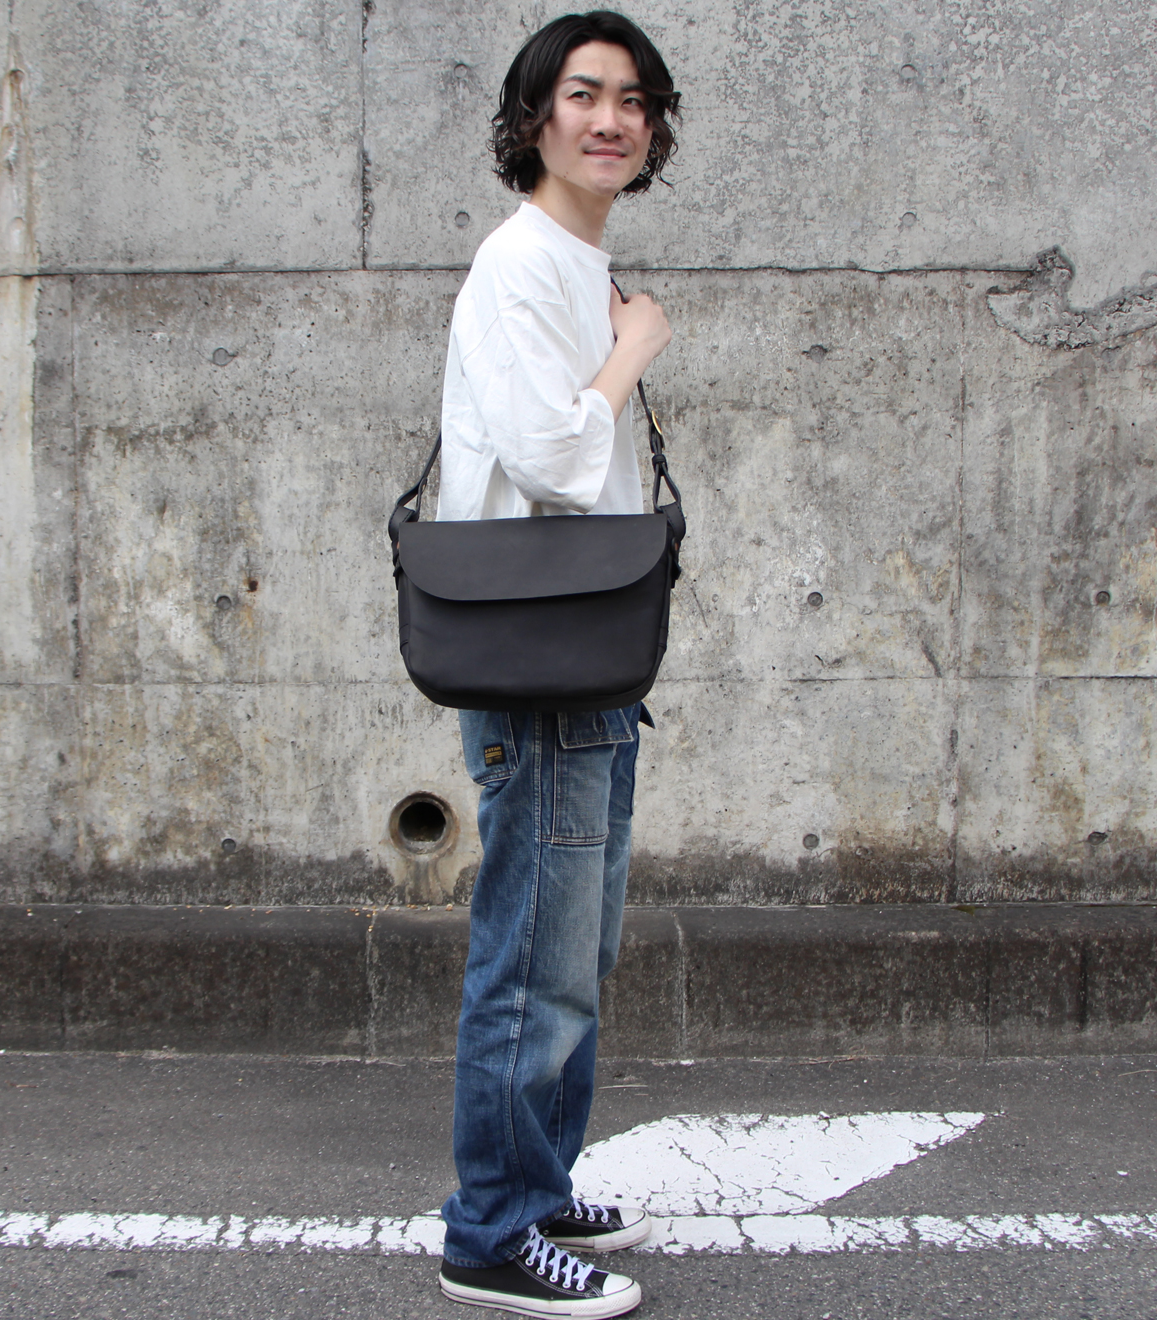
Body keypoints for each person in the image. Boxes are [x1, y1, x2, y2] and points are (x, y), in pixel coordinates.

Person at [433, 11, 681, 1318]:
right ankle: (491, 1230)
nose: (610, 119)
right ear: (535, 117)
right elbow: (551, 457)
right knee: (532, 953)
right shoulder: (519, 265)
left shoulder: (580, 264)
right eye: (584, 95)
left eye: (633, 100)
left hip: (588, 657)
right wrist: (636, 350)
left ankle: (537, 1179)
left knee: (573, 952)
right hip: (538, 661)